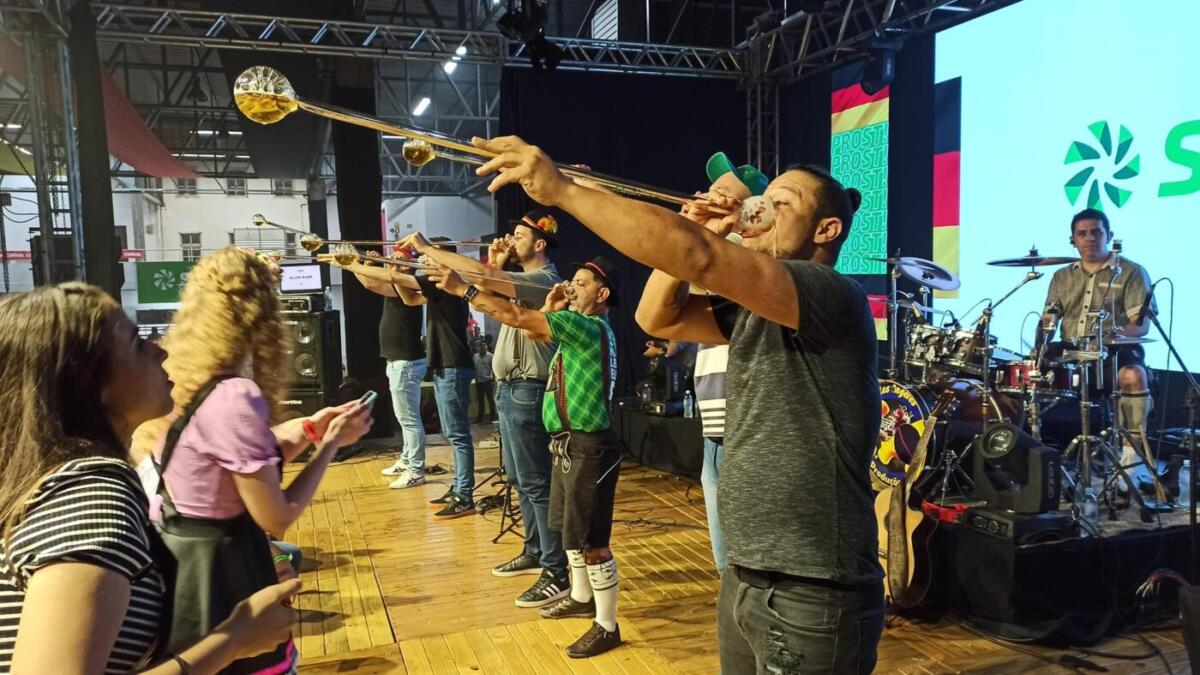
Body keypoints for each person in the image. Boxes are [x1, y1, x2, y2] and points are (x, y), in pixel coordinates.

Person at [471, 136, 884, 673]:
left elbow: (698, 257)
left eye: (781, 204)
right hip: (748, 572)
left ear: (826, 230)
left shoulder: (831, 292)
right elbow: (656, 317)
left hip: (814, 584)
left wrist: (565, 192)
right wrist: (703, 227)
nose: (761, 209)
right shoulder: (758, 310)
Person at [0, 283, 301, 674]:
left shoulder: (60, 480)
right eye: (137, 343)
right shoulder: (92, 498)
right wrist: (234, 639)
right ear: (89, 381)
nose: (160, 351)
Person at [136, 248, 373, 673]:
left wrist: (310, 431)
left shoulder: (187, 384)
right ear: (263, 310)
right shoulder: (234, 396)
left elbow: (230, 473)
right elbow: (276, 517)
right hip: (230, 575)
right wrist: (331, 444)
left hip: (188, 573)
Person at [428, 256, 624, 658]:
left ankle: (607, 625)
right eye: (572, 280)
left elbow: (517, 317)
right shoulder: (577, 326)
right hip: (569, 443)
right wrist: (550, 307)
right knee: (569, 530)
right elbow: (535, 332)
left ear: (602, 294)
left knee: (592, 541)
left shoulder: (587, 326)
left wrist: (463, 289)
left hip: (589, 445)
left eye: (581, 283)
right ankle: (581, 596)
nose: (571, 287)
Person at [402, 213, 569, 610]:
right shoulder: (520, 279)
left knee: (536, 482)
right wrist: (493, 265)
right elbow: (491, 294)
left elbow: (485, 283)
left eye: (520, 234)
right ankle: (534, 550)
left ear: (540, 243)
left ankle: (556, 570)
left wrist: (428, 249)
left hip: (529, 387)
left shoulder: (544, 279)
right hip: (510, 388)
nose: (512, 237)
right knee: (519, 479)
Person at [636, 161, 764, 575]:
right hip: (716, 426)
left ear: (750, 209)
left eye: (718, 192)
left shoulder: (744, 252)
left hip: (743, 425)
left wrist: (695, 232)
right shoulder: (715, 243)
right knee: (727, 562)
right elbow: (657, 310)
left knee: (744, 563)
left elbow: (690, 263)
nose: (703, 196)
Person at [1042, 209, 1157, 489]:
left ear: (1109, 236)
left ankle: (1131, 460)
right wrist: (1041, 342)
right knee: (1022, 377)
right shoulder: (1061, 276)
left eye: (1096, 232)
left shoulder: (1131, 271)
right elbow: (1049, 319)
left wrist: (1104, 340)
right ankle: (1031, 459)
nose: (1090, 238)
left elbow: (1140, 326)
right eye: (1082, 234)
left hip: (1115, 351)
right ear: (1073, 240)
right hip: (1071, 352)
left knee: (1133, 375)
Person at [393, 239, 478, 519]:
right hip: (446, 366)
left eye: (428, 258)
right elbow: (408, 298)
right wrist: (397, 270)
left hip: (453, 366)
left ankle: (464, 495)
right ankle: (459, 488)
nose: (424, 263)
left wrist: (393, 267)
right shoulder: (439, 289)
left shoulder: (446, 285)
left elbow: (400, 280)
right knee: (453, 434)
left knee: (458, 435)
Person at [345, 251, 430, 489]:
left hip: (405, 362)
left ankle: (416, 470)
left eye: (397, 260)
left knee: (409, 420)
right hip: (398, 361)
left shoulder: (407, 286)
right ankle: (407, 460)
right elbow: (369, 280)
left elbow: (371, 283)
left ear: (406, 267)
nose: (391, 262)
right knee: (404, 419)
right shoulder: (397, 286)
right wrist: (366, 263)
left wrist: (353, 263)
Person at [473, 341, 496, 422]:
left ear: (486, 347)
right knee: (480, 400)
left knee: (490, 400)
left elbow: (494, 368)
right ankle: (480, 418)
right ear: (477, 348)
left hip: (488, 381)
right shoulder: (475, 356)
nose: (482, 348)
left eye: (484, 346)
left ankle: (492, 417)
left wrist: (493, 380)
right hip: (478, 381)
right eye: (480, 346)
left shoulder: (491, 356)